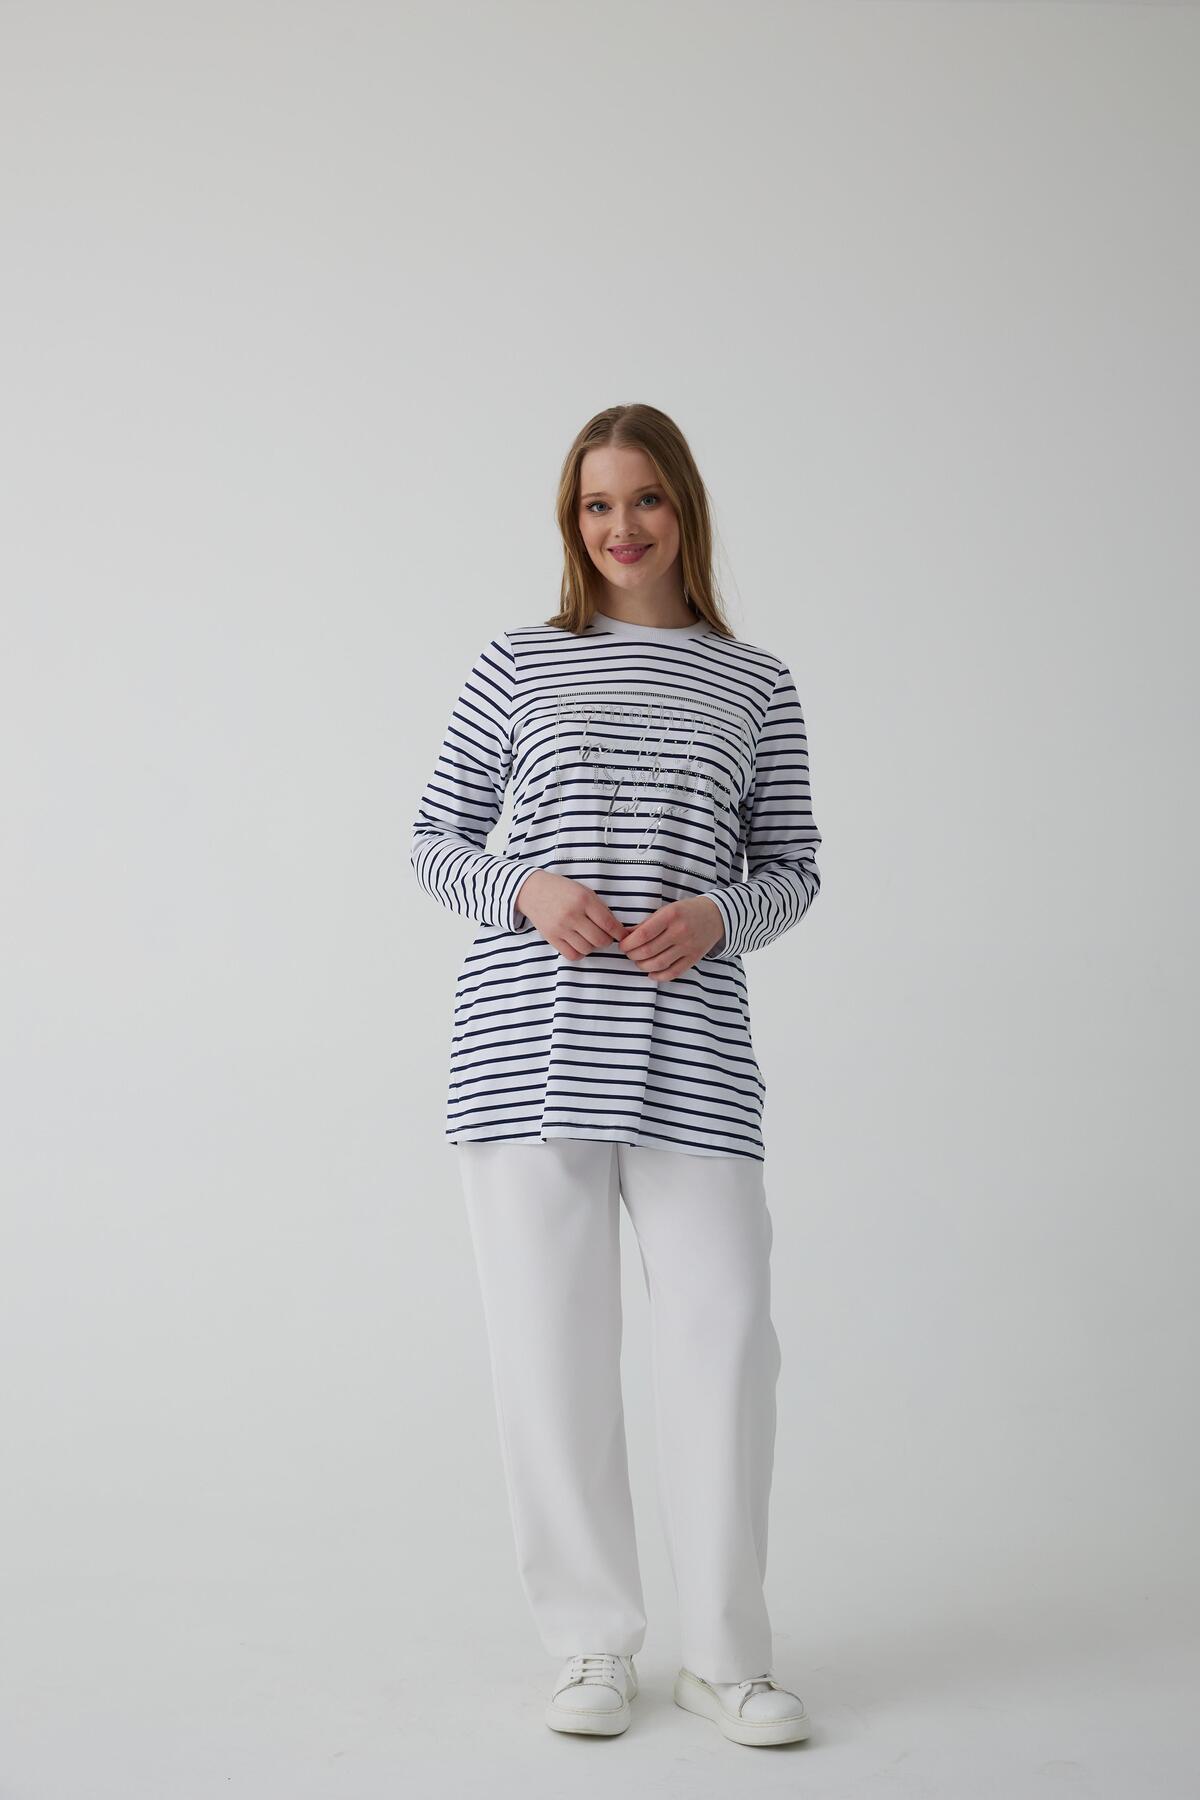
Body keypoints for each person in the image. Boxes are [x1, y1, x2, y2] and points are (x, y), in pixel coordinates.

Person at [409, 403, 822, 1747]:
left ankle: (728, 1657)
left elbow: (794, 866)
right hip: (524, 1054)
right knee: (552, 1355)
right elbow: (435, 839)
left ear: (685, 507)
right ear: (571, 522)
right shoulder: (520, 661)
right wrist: (525, 887)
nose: (622, 527)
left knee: (726, 1341)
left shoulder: (755, 682)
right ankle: (591, 1644)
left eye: (645, 499)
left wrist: (720, 913)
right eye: (597, 505)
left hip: (692, 1057)